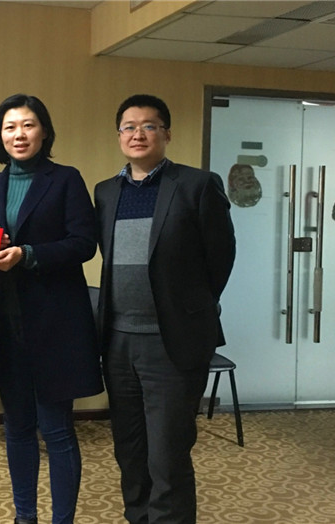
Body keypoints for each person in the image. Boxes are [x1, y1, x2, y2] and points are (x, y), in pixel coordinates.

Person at [94, 94, 236, 524]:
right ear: (119, 135)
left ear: (167, 134)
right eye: (129, 127)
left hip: (172, 345)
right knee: (129, 451)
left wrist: (190, 310)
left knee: (168, 456)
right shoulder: (106, 192)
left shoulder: (197, 184)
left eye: (149, 126)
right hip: (118, 343)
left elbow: (221, 257)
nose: (138, 134)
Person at [0, 93, 104, 524]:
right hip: (4, 325)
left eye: (28, 125)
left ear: (44, 131)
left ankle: (62, 520)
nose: (19, 134)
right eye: (10, 127)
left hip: (55, 325)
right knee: (17, 428)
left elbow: (83, 244)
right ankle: (24, 517)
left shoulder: (65, 179)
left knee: (57, 430)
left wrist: (27, 254)